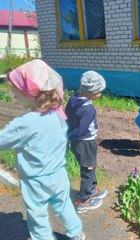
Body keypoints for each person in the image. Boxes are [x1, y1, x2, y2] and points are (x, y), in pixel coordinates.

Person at [0, 59, 84, 240]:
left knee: (37, 215)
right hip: (59, 174)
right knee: (63, 206)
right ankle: (77, 233)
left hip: (34, 181)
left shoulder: (24, 124)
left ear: (29, 93)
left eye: (15, 91)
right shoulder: (57, 115)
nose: (13, 95)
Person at [65, 71, 108, 213]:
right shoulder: (89, 109)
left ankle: (92, 188)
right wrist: (70, 136)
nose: (100, 94)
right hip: (85, 143)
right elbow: (81, 130)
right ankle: (83, 200)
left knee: (90, 166)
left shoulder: (73, 99)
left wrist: (69, 135)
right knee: (88, 170)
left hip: (78, 144)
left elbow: (67, 116)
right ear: (92, 93)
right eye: (99, 91)